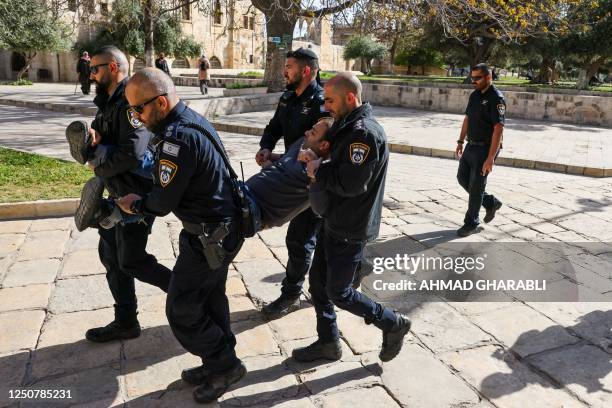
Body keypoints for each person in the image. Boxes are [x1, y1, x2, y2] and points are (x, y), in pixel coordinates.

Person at [117, 68, 247, 403]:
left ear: (160, 102)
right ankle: (218, 359)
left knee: (182, 309)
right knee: (210, 298)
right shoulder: (189, 119)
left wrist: (136, 204)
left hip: (210, 236)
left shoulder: (176, 139)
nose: (136, 118)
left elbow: (161, 202)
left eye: (138, 110)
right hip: (218, 231)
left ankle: (226, 365)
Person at [292, 73, 411, 364]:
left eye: (330, 100)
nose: (326, 106)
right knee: (318, 284)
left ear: (349, 98)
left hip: (351, 226)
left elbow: (352, 182)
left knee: (339, 292)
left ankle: (392, 322)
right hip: (334, 219)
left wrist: (318, 168)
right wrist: (314, 153)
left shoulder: (364, 134)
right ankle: (328, 342)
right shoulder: (346, 125)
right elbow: (330, 151)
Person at [79, 46, 172, 343]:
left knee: (132, 260)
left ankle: (190, 292)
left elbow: (133, 153)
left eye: (96, 68)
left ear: (115, 67)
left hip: (138, 194)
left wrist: (99, 164)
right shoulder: (106, 102)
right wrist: (93, 142)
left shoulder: (131, 102)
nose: (91, 73)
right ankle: (126, 321)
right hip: (117, 192)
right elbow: (99, 132)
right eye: (90, 69)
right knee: (111, 255)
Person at [255, 47, 330, 320]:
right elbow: (274, 126)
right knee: (321, 237)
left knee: (299, 239)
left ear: (306, 70)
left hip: (309, 180)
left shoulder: (322, 103)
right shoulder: (288, 97)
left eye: (289, 66)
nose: (284, 71)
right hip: (291, 171)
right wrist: (266, 147)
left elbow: (323, 145)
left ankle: (290, 295)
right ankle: (355, 268)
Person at [455, 63, 504, 237]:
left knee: (476, 186)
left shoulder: (496, 98)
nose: (473, 81)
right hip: (471, 145)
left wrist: (491, 157)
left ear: (488, 77)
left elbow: (498, 129)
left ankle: (471, 223)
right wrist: (460, 141)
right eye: (472, 78)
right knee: (462, 178)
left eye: (477, 78)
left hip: (486, 148)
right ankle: (490, 202)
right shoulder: (475, 95)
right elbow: (467, 118)